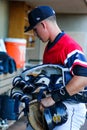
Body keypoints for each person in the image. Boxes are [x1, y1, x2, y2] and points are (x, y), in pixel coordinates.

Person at [25, 5, 87, 130]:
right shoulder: (49, 49)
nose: (35, 34)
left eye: (35, 29)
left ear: (43, 25)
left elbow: (83, 78)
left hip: (70, 108)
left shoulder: (69, 46)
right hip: (54, 106)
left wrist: (53, 98)